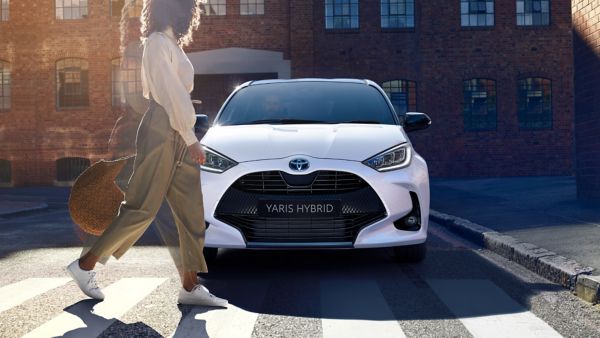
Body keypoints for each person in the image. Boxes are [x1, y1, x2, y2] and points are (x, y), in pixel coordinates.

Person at [65, 0, 227, 307]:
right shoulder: (156, 44)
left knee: (191, 212)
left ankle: (190, 287)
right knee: (142, 207)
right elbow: (170, 94)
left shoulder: (171, 44)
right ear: (175, 9)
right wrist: (191, 138)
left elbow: (179, 93)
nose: (194, 11)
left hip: (178, 130)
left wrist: (188, 135)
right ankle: (85, 265)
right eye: (190, 6)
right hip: (162, 128)